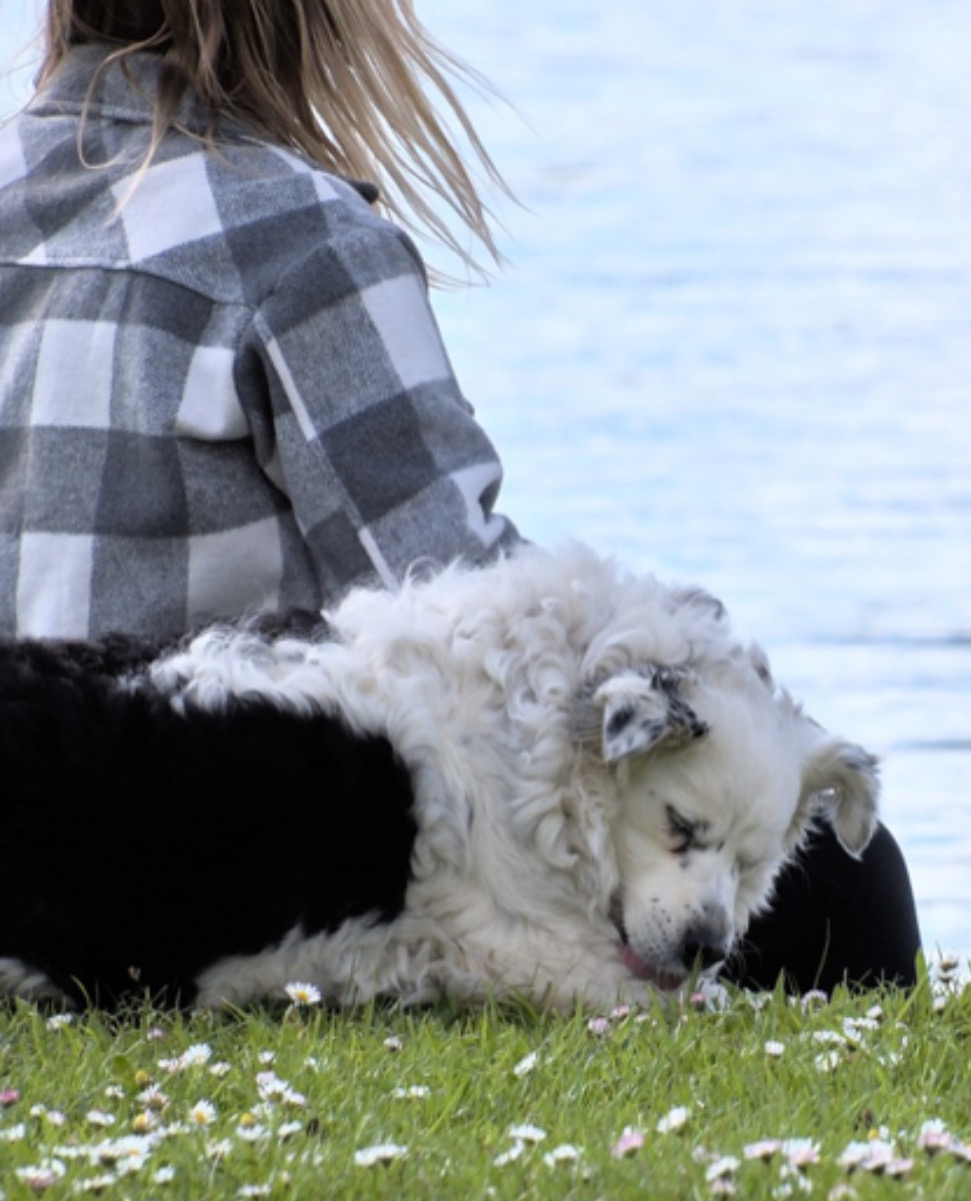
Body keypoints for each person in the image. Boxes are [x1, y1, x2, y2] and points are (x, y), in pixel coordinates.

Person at [0, 0, 921, 992]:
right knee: (854, 881)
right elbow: (467, 626)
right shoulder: (296, 237)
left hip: (40, 793)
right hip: (244, 847)